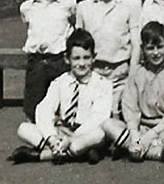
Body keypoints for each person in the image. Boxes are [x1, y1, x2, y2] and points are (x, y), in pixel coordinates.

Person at [11, 29, 112, 164]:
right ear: (67, 59)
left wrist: (72, 138)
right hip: (62, 132)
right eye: (76, 58)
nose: (81, 64)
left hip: (85, 133)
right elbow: (44, 109)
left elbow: (99, 117)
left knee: (98, 135)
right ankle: (75, 153)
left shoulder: (103, 84)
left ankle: (44, 155)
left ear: (94, 57)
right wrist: (52, 138)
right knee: (24, 129)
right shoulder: (60, 82)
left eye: (86, 58)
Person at [103, 21, 164, 163]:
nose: (156, 53)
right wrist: (135, 136)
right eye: (150, 48)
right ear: (143, 49)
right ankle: (159, 153)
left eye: (160, 47)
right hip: (141, 128)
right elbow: (130, 108)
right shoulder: (136, 73)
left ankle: (134, 150)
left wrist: (149, 137)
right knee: (108, 125)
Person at [76, 0, 141, 116]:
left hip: (120, 73)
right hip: (92, 73)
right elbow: (78, 45)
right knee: (93, 119)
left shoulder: (129, 7)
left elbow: (136, 44)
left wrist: (132, 74)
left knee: (118, 116)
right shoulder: (83, 8)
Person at [20, 0, 76, 121]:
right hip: (36, 63)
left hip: (59, 62)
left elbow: (73, 25)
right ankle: (39, 141)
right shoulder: (27, 7)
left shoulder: (68, 4)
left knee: (61, 106)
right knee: (34, 107)